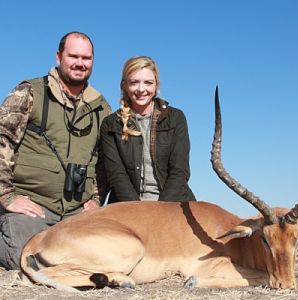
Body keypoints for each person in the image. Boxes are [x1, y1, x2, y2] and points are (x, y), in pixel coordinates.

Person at [0, 31, 111, 270]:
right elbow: (3, 139)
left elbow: (106, 160)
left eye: (86, 58)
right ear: (59, 56)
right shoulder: (29, 92)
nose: (80, 63)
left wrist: (96, 199)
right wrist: (6, 196)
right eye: (73, 56)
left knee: (98, 259)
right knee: (27, 258)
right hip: (33, 205)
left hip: (77, 212)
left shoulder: (102, 107)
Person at [101, 56, 195, 203]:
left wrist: (160, 210)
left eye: (148, 83)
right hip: (128, 206)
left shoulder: (176, 118)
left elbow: (180, 171)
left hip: (172, 203)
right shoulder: (111, 124)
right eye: (134, 82)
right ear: (124, 85)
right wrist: (140, 212)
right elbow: (116, 175)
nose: (141, 89)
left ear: (156, 85)